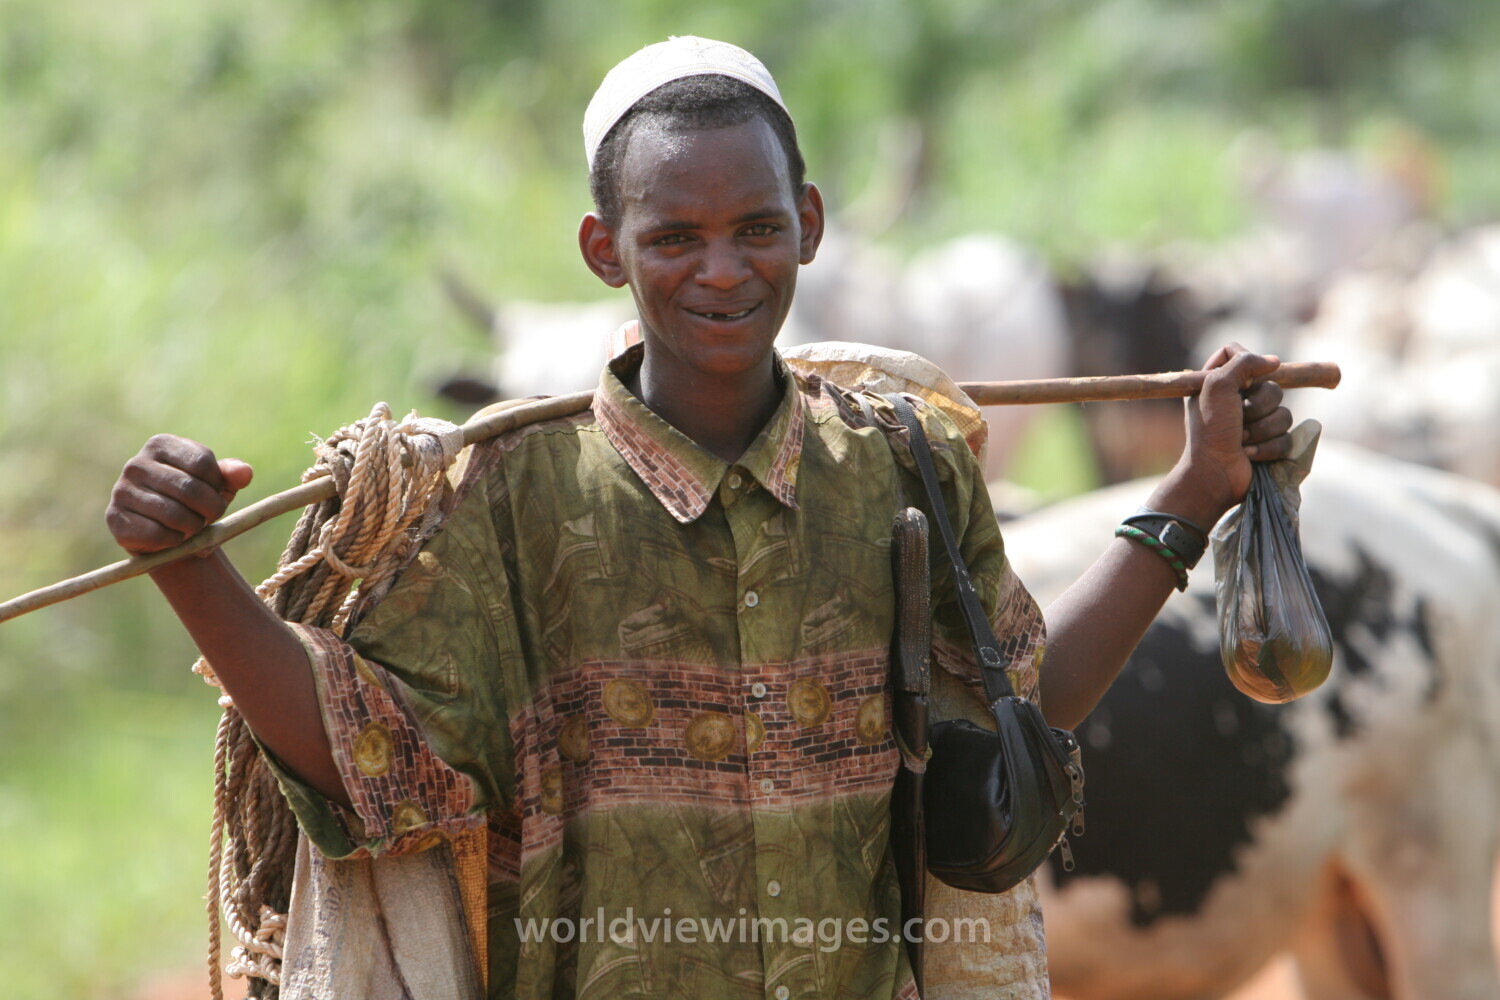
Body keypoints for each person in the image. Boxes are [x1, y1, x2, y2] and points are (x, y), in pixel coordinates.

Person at [106, 36, 1295, 1000]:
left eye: (756, 229)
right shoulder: (510, 501)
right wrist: (187, 568)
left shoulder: (902, 462)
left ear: (812, 223)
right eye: (672, 236)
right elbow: (372, 759)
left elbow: (1015, 711)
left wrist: (1191, 497)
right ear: (603, 249)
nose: (721, 270)